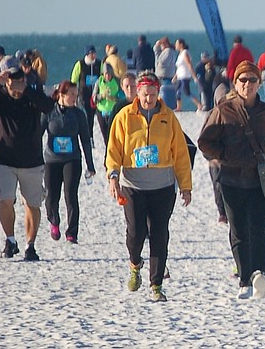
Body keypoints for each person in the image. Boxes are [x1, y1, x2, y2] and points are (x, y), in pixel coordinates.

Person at [198, 61, 265, 300]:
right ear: (235, 83)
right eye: (243, 80)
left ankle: (261, 275)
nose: (247, 84)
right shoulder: (223, 110)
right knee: (238, 232)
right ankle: (244, 279)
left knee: (260, 231)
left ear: (259, 83)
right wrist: (224, 155)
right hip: (231, 180)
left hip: (260, 182)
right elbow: (204, 141)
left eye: (252, 80)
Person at [105, 71, 192, 302]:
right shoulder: (124, 117)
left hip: (163, 185)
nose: (149, 99)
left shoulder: (168, 117)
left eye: (153, 94)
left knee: (159, 234)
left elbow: (181, 154)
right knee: (136, 233)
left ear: (158, 93)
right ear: (137, 92)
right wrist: (113, 177)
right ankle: (135, 264)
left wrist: (185, 186)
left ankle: (156, 285)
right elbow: (113, 150)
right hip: (132, 185)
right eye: (145, 94)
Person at [0, 58, 54, 260]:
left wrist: (25, 89)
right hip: (3, 159)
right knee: (5, 200)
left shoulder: (31, 95)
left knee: (32, 204)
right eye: (11, 79)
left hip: (31, 160)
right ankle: (10, 241)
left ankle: (30, 245)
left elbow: (48, 106)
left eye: (19, 79)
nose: (15, 84)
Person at [42, 81, 96, 244]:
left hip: (72, 159)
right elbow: (37, 134)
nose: (74, 98)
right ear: (61, 95)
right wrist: (34, 159)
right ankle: (54, 221)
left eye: (76, 94)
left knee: (71, 195)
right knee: (51, 196)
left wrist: (90, 165)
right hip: (52, 160)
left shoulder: (79, 114)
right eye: (71, 94)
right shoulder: (49, 112)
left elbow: (85, 140)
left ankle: (72, 232)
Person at [70, 45, 102, 140]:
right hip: (84, 94)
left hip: (96, 95)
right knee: (87, 115)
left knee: (93, 116)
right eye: (91, 53)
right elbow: (74, 80)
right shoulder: (80, 64)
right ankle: (88, 136)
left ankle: (90, 136)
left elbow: (103, 77)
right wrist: (73, 93)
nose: (93, 55)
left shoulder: (99, 64)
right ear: (87, 54)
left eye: (94, 53)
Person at [93, 64, 121, 146]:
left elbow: (122, 96)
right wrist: (101, 96)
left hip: (113, 111)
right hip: (101, 111)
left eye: (109, 74)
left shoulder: (117, 81)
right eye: (106, 74)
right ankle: (107, 150)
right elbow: (94, 98)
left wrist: (115, 98)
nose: (107, 76)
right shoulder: (99, 81)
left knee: (112, 134)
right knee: (105, 135)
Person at [173, 38, 201, 112]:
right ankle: (179, 107)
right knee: (177, 91)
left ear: (181, 45)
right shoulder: (180, 54)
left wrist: (194, 76)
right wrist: (175, 76)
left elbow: (189, 64)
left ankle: (198, 104)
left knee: (186, 92)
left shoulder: (185, 53)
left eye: (177, 44)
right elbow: (179, 67)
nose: (175, 45)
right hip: (179, 76)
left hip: (185, 76)